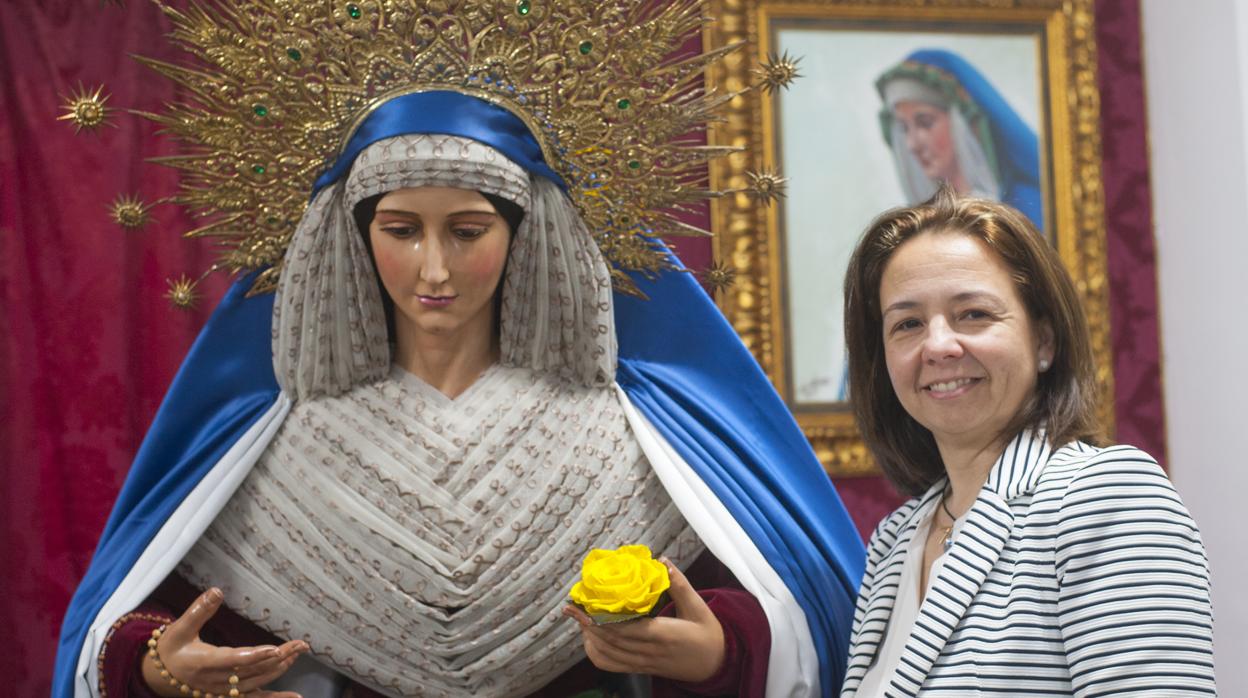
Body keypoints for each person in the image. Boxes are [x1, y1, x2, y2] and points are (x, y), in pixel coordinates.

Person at [51, 2, 865, 698]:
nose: (433, 269)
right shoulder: (269, 436)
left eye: (468, 231)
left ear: (526, 236)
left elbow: (770, 599)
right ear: (353, 237)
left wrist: (720, 648)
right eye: (400, 231)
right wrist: (155, 664)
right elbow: (138, 619)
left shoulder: (629, 429)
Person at [838, 185, 1215, 696]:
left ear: (1043, 341)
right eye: (907, 324)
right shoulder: (894, 539)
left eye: (973, 313)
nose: (939, 345)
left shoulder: (1107, 496)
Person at [876, 49, 1044, 230]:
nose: (912, 145)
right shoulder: (923, 223)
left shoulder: (1025, 208)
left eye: (925, 123)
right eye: (904, 128)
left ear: (962, 124)